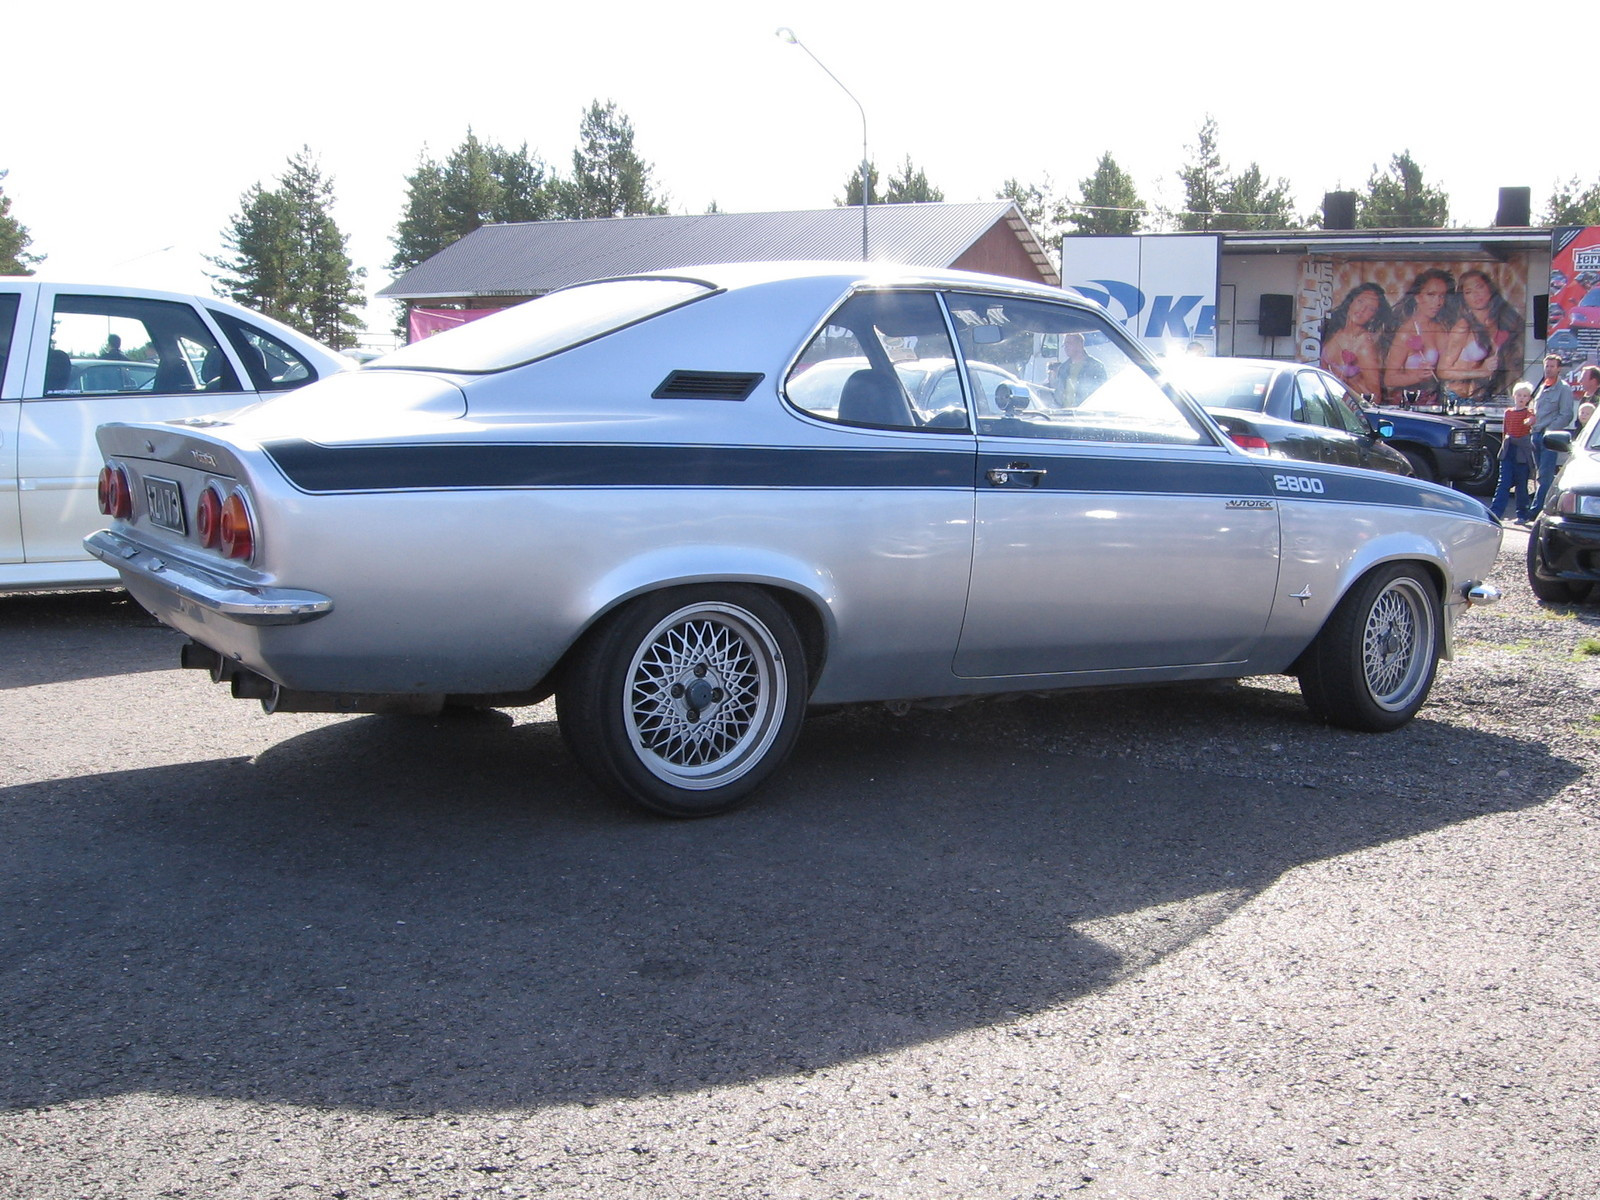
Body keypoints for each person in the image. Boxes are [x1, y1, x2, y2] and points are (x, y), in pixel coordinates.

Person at [1441, 270, 1521, 404]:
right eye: (1468, 292)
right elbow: (1443, 371)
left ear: (1489, 288)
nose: (1476, 295)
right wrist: (1480, 371)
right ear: (1463, 297)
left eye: (1479, 287)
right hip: (1460, 398)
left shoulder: (1501, 322)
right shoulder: (1463, 327)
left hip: (1487, 396)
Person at [1384, 269, 1456, 406]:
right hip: (1410, 403)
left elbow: (1445, 369)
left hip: (1436, 401)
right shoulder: (1406, 332)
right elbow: (1389, 379)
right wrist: (1416, 376)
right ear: (1417, 297)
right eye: (1431, 295)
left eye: (1442, 296)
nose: (1438, 302)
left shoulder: (1440, 328)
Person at [1320, 282, 1391, 397]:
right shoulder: (1333, 331)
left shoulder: (1365, 344)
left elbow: (1375, 396)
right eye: (1360, 301)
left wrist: (1349, 381)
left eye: (1371, 309)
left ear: (1374, 316)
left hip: (1350, 410)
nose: (1362, 310)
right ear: (1351, 302)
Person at [1531, 353, 1578, 514]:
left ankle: (1538, 510)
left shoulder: (1563, 388)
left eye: (1552, 366)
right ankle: (1543, 505)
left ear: (1559, 369)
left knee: (1545, 475)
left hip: (1548, 438)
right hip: (1535, 434)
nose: (1548, 369)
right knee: (1539, 475)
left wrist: (1549, 430)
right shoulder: (1542, 387)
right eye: (1546, 366)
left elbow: (1566, 414)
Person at [1489, 381, 1536, 522]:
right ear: (1514, 396)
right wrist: (1504, 447)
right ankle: (1496, 512)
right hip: (1509, 449)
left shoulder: (1529, 413)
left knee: (1521, 485)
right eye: (1519, 395)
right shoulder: (1508, 413)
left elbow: (1533, 419)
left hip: (1521, 451)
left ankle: (1522, 514)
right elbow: (1505, 431)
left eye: (1525, 396)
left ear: (1529, 399)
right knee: (1503, 482)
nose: (1521, 398)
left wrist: (1530, 421)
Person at [1053, 332, 1105, 407]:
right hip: (1064, 415)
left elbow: (1101, 393)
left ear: (1080, 344)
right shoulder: (1063, 368)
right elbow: (1058, 396)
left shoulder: (1096, 366)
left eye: (1069, 343)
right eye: (1064, 344)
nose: (1066, 347)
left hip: (1085, 413)